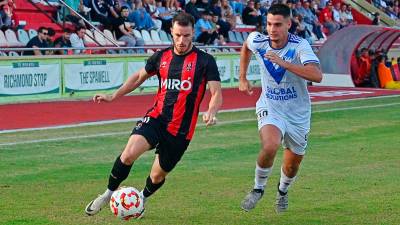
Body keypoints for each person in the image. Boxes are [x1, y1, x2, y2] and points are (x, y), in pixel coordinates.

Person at [84, 12, 223, 217]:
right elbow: (139, 77)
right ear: (171, 33)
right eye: (177, 35)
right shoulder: (162, 56)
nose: (181, 40)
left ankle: (141, 200)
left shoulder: (205, 61)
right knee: (129, 153)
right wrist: (113, 95)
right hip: (157, 118)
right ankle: (107, 194)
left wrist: (211, 111)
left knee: (157, 176)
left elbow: (216, 92)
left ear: (193, 33)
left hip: (181, 130)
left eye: (186, 36)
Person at [238, 4, 322, 213]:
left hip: (297, 113)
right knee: (270, 145)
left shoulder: (300, 45)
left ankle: (282, 192)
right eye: (268, 24)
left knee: (292, 165)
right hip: (270, 105)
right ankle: (258, 189)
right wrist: (242, 77)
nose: (272, 29)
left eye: (277, 25)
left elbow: (316, 75)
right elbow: (246, 46)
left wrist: (285, 64)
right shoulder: (259, 41)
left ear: (288, 24)